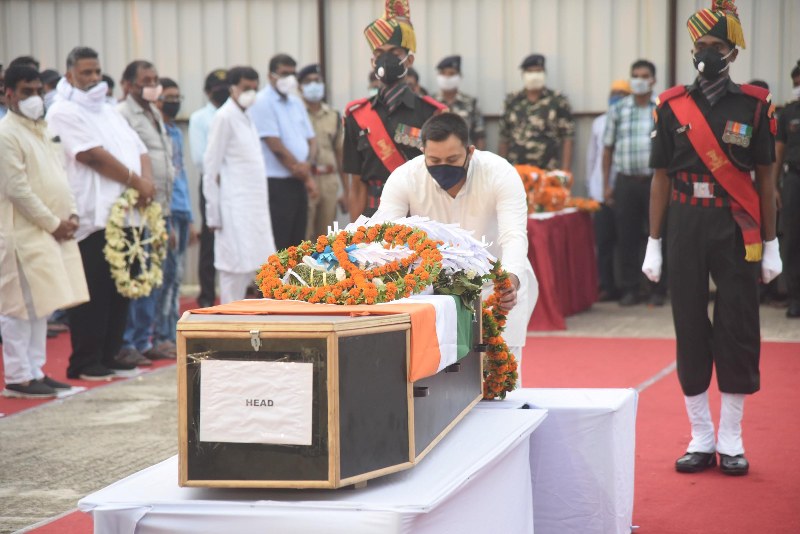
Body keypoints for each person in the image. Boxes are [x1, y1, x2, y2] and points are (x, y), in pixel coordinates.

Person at [644, 0, 780, 476]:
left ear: (733, 52)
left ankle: (733, 437)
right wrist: (653, 241)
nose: (707, 54)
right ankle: (701, 435)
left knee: (738, 324)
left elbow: (765, 179)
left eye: (717, 46)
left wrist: (773, 242)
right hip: (684, 220)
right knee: (689, 321)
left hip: (736, 224)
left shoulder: (755, 104)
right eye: (701, 46)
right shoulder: (672, 104)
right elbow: (660, 177)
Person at [372, 112, 538, 382]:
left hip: (499, 285)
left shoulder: (500, 173)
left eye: (452, 160)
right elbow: (383, 236)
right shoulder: (405, 177)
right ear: (423, 151)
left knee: (499, 378)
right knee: (442, 380)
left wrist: (511, 280)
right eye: (434, 161)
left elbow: (514, 235)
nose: (443, 167)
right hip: (434, 294)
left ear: (470, 152)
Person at [46, 46, 156, 380]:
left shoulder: (109, 110)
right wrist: (137, 182)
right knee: (93, 292)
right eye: (86, 73)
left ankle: (110, 354)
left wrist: (146, 184)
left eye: (96, 71)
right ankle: (84, 361)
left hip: (127, 215)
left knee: (120, 290)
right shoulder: (63, 111)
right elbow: (91, 156)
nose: (94, 78)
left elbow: (141, 149)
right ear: (70, 76)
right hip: (93, 218)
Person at [0, 64, 89, 398]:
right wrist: (55, 223)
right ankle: (18, 377)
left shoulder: (42, 128)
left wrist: (73, 215)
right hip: (22, 233)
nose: (35, 97)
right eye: (26, 91)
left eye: (38, 91)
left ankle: (35, 370)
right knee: (18, 307)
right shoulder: (6, 133)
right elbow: (16, 189)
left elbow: (61, 177)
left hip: (50, 230)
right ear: (8, 93)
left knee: (42, 303)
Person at [344, 0, 446, 219]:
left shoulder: (431, 113)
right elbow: (357, 185)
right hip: (372, 214)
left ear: (409, 59)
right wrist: (353, 235)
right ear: (373, 61)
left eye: (395, 52)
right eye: (380, 53)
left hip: (418, 214)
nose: (386, 58)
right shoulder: (357, 117)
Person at [117, 60, 175, 365]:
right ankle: (129, 341)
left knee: (157, 278)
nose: (153, 85)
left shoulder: (154, 111)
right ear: (127, 84)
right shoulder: (122, 114)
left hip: (161, 209)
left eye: (155, 79)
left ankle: (145, 339)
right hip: (137, 210)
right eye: (146, 80)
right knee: (137, 276)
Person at [203, 66, 276, 304]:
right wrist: (213, 214)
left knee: (258, 266)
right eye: (246, 88)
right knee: (233, 269)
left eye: (255, 88)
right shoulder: (224, 117)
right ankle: (228, 326)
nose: (251, 93)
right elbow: (210, 169)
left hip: (255, 207)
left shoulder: (247, 115)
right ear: (232, 88)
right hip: (233, 208)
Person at [603, 60, 665, 307]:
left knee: (658, 234)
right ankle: (630, 288)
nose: (639, 80)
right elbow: (607, 149)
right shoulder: (618, 110)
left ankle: (658, 289)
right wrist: (607, 183)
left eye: (644, 76)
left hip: (655, 183)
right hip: (626, 182)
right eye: (635, 75)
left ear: (653, 80)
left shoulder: (661, 108)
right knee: (626, 236)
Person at [249, 54, 318, 250]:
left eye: (292, 74)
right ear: (271, 76)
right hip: (277, 183)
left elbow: (312, 140)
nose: (289, 79)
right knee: (279, 241)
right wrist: (304, 174)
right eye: (284, 74)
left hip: (298, 179)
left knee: (297, 242)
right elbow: (275, 145)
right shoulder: (262, 101)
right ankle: (275, 281)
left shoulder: (296, 102)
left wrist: (308, 165)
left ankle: (291, 281)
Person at [154, 77, 197, 351]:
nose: (174, 102)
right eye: (168, 96)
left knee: (177, 275)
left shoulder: (175, 133)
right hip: (167, 213)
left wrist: (190, 218)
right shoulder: (157, 134)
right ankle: (162, 336)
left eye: (177, 96)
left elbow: (180, 179)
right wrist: (166, 220)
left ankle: (171, 333)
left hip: (181, 210)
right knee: (167, 275)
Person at [587, 79, 631, 301]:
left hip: (625, 191)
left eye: (622, 94)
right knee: (603, 244)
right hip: (600, 193)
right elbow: (593, 158)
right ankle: (606, 286)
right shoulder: (599, 123)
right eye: (614, 93)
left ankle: (628, 287)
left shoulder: (631, 121)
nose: (617, 97)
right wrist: (594, 190)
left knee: (627, 242)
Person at [189, 68, 228, 308]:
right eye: (217, 89)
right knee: (210, 238)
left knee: (236, 237)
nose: (222, 93)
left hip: (236, 186)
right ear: (207, 92)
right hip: (212, 184)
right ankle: (206, 295)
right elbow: (199, 157)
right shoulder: (200, 118)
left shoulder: (236, 114)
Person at [498, 54, 575, 170]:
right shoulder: (512, 101)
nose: (534, 76)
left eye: (538, 71)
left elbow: (568, 137)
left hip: (548, 171)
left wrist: (565, 171)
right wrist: (501, 170)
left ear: (544, 73)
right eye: (530, 71)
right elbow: (504, 138)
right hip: (516, 171)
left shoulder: (558, 101)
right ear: (523, 74)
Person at [298, 64, 347, 240]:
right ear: (300, 87)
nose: (313, 85)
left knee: (325, 238)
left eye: (317, 81)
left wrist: (347, 192)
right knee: (303, 235)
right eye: (308, 81)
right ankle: (301, 268)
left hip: (328, 180)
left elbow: (340, 154)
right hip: (303, 180)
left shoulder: (333, 115)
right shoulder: (296, 114)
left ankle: (322, 269)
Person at [774, 60, 800, 318]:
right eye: (795, 83)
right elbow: (778, 152)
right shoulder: (788, 113)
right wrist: (774, 187)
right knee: (792, 240)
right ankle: (795, 297)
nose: (798, 87)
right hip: (793, 179)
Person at [433, 55, 486, 150]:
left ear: (459, 76)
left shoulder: (471, 103)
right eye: (443, 73)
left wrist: (478, 159)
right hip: (437, 157)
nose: (447, 77)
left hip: (465, 158)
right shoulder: (430, 102)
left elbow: (480, 135)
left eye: (451, 73)